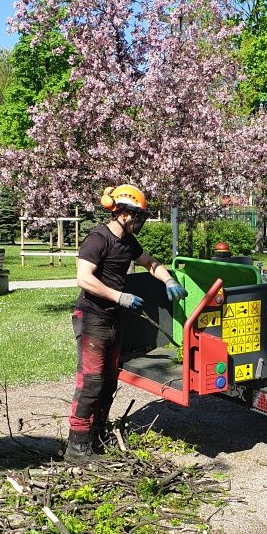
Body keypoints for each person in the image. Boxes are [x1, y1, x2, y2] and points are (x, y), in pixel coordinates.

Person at [65, 184, 186, 465]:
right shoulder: (98, 238)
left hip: (113, 319)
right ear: (122, 213)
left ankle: (97, 433)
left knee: (108, 381)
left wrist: (167, 279)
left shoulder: (128, 242)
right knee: (90, 382)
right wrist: (118, 296)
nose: (141, 222)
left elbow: (149, 262)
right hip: (92, 317)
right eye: (138, 216)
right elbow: (83, 278)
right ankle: (76, 445)